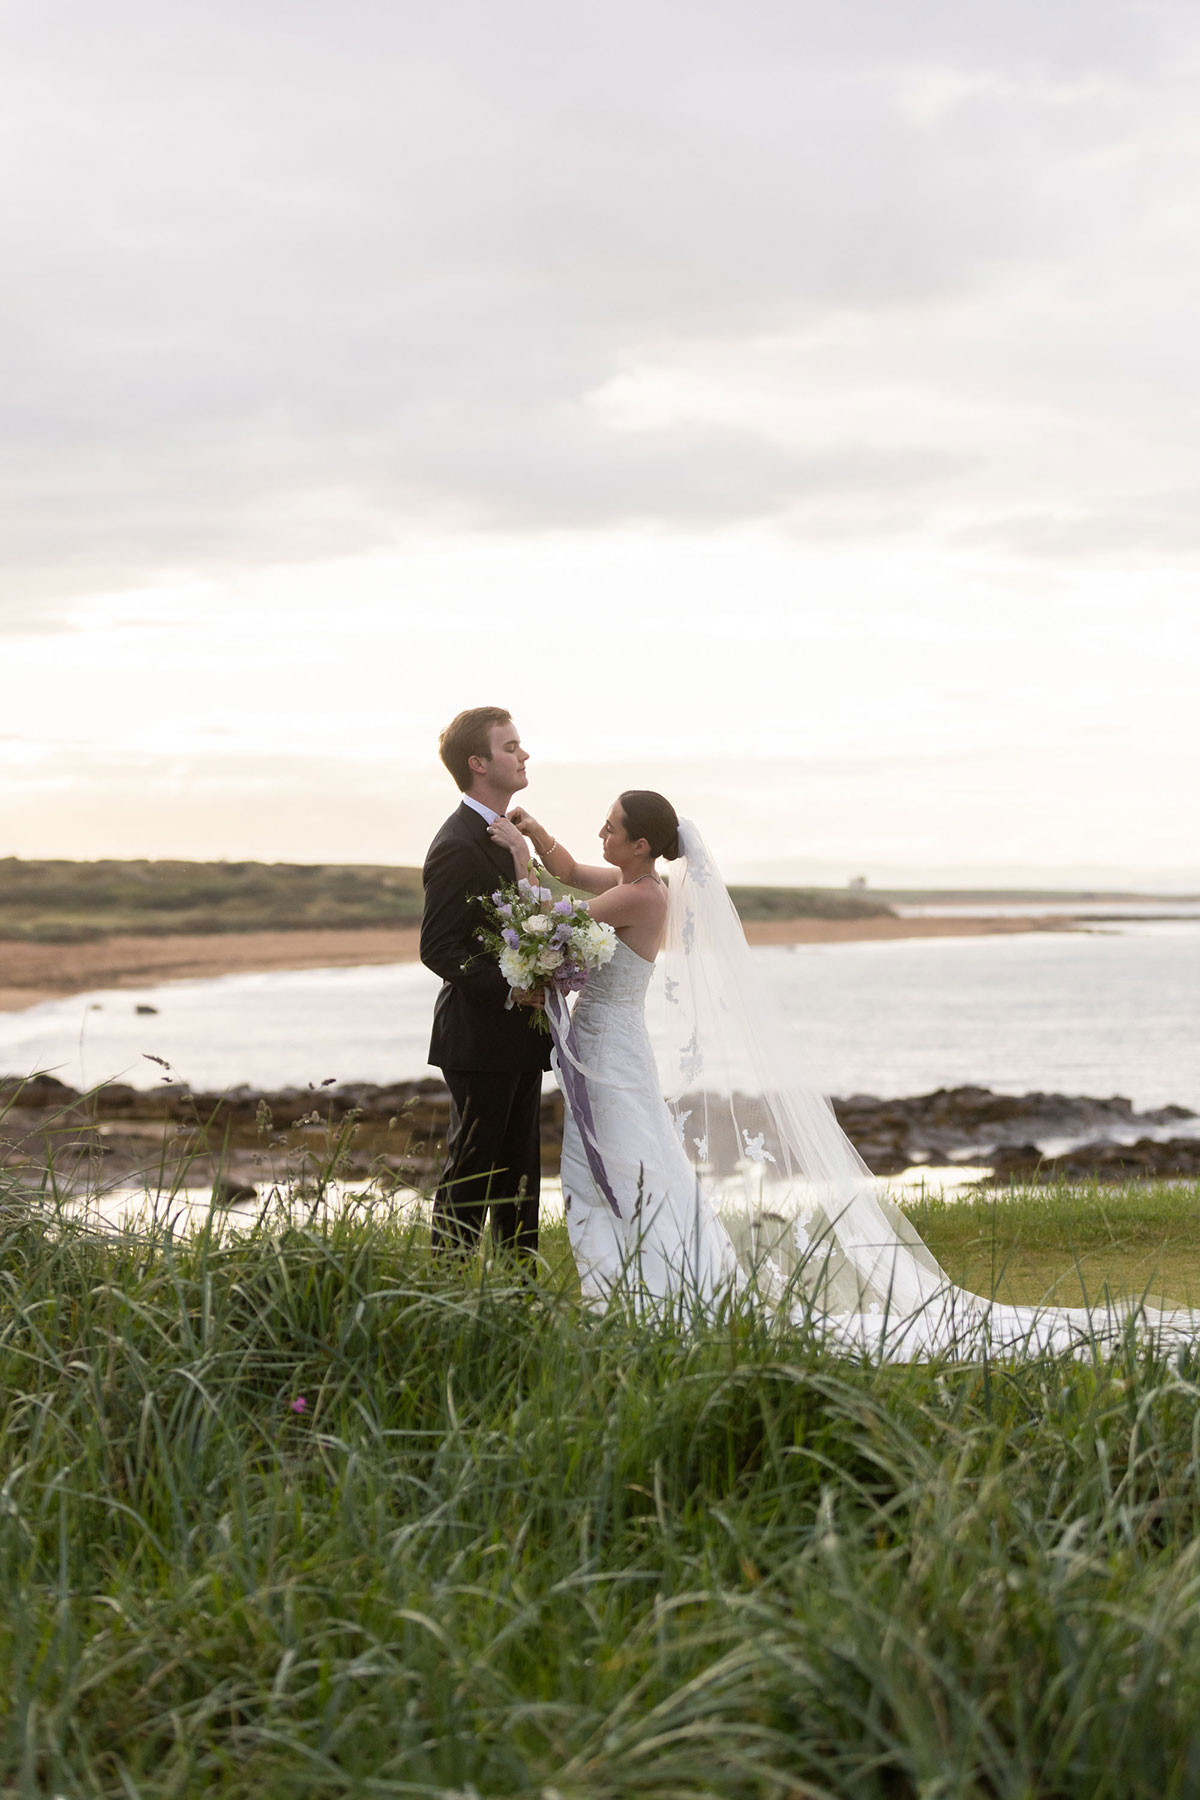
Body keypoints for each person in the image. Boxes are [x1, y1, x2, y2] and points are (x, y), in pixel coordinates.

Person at [495, 793, 1198, 1356]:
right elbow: (571, 877)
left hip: (613, 1050)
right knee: (623, 1162)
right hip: (606, 1048)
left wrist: (520, 862)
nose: (602, 833)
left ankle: (653, 1292)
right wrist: (540, 837)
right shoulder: (634, 882)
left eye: (611, 826)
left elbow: (549, 919)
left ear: (642, 844)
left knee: (626, 1164)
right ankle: (631, 1291)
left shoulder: (642, 899)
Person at [420, 707, 550, 1263]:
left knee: (521, 1175)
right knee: (472, 1170)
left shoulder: (506, 836)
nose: (524, 755)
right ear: (478, 763)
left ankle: (521, 1291)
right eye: (511, 747)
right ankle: (444, 1289)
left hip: (520, 1034)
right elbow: (438, 948)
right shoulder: (456, 843)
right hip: (476, 1035)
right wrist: (511, 986)